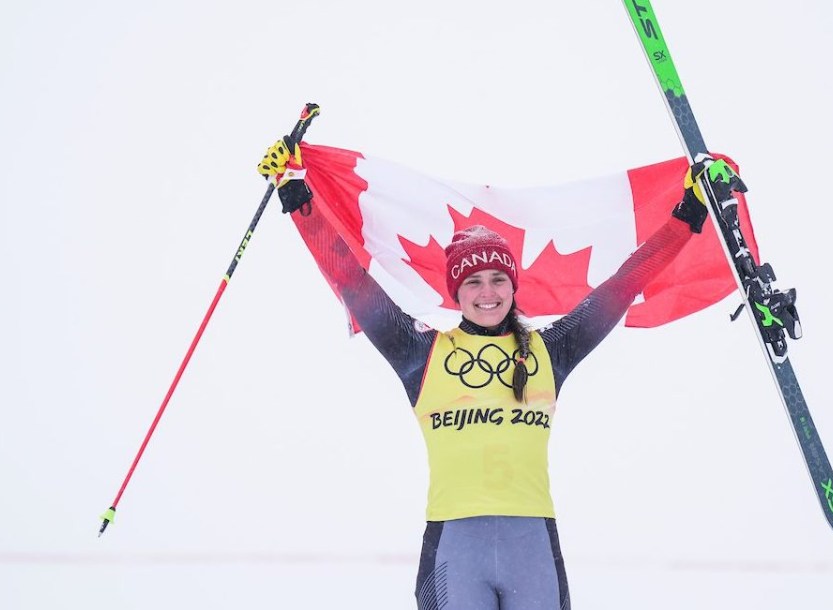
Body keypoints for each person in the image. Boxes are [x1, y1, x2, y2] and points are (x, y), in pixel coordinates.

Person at [258, 137, 715, 609]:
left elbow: (623, 284)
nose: (487, 292)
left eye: (498, 279)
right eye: (473, 282)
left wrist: (687, 217)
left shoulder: (550, 350)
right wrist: (296, 197)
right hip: (455, 549)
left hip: (532, 544)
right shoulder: (420, 351)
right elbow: (352, 281)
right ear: (457, 292)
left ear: (513, 285)